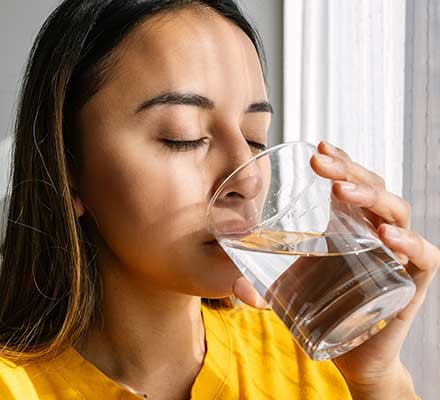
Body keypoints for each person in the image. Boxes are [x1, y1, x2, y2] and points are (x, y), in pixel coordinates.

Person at [0, 1, 438, 399]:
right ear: (69, 168)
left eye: (254, 137)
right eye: (183, 137)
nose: (246, 176)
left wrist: (375, 380)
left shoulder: (312, 361)